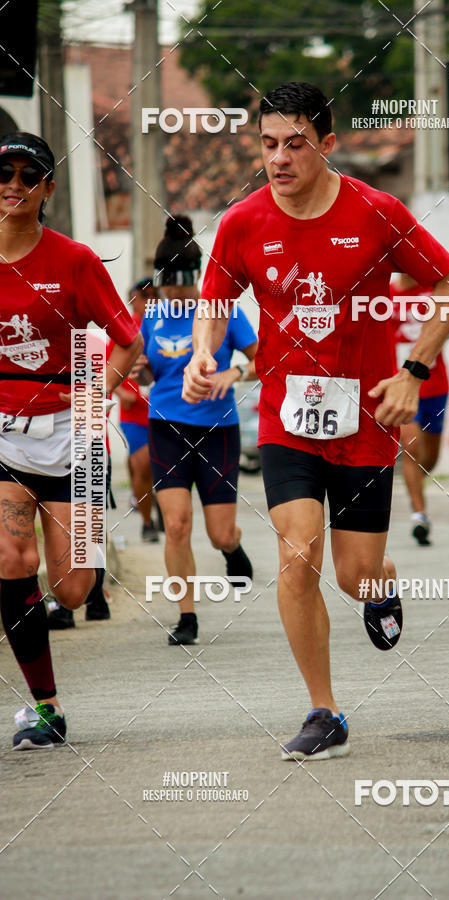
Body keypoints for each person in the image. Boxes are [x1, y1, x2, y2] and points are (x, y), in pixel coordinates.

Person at [182, 82, 449, 760]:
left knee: (354, 573)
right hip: (287, 421)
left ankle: (382, 588)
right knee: (296, 553)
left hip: (366, 422)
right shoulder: (244, 222)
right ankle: (325, 711)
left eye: (295, 144)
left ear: (327, 143)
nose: (279, 158)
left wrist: (414, 370)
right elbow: (216, 299)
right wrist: (200, 354)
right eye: (268, 144)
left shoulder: (377, 212)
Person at [0, 132, 142, 749]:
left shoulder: (75, 261)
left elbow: (128, 340)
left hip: (73, 431)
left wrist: (95, 394)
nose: (12, 185)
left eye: (27, 176)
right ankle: (46, 706)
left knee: (74, 589)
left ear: (47, 189)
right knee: (11, 557)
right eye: (2, 174)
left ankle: (88, 552)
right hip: (4, 434)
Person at [139, 215, 257, 646]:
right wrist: (141, 370)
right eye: (168, 284)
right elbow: (150, 370)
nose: (176, 293)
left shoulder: (220, 311)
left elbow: (263, 358)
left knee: (219, 531)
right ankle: (186, 616)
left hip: (217, 429)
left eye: (184, 284)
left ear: (196, 277)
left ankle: (232, 549)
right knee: (177, 525)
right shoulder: (151, 315)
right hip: (166, 427)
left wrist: (236, 372)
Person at [391, 273, 449, 545]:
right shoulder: (384, 294)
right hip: (399, 384)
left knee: (428, 457)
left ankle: (415, 485)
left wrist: (441, 324)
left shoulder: (434, 290)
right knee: (410, 446)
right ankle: (419, 516)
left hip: (435, 385)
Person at [113, 278, 160, 543]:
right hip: (134, 414)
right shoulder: (124, 326)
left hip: (164, 410)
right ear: (132, 299)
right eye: (144, 295)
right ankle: (147, 521)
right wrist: (121, 392)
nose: (150, 299)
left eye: (155, 294)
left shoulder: (167, 323)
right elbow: (104, 366)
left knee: (156, 467)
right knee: (141, 463)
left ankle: (158, 505)